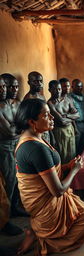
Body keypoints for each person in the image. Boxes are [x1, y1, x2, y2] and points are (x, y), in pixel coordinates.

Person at [14, 98, 84, 256]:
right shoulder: (36, 148)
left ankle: (36, 230)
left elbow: (43, 171)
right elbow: (58, 191)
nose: (52, 118)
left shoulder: (32, 138)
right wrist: (75, 170)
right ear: (32, 121)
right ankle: (45, 241)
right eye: (47, 115)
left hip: (41, 198)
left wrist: (66, 166)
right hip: (46, 201)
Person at [0, 74, 28, 218]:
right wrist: (18, 128)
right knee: (9, 181)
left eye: (14, 86)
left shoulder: (18, 104)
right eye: (8, 86)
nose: (12, 89)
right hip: (5, 147)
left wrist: (17, 127)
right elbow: (10, 133)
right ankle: (6, 217)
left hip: (18, 144)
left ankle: (15, 207)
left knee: (19, 179)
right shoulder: (0, 107)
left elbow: (25, 124)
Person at [47, 80, 79, 164]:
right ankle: (63, 175)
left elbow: (78, 115)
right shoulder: (50, 103)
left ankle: (72, 173)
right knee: (62, 155)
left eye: (59, 89)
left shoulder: (68, 100)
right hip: (59, 132)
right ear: (49, 90)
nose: (58, 91)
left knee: (72, 153)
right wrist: (71, 117)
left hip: (70, 130)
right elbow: (61, 121)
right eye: (54, 89)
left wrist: (66, 116)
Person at [70, 79, 84, 155]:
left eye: (81, 86)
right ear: (72, 87)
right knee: (76, 145)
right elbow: (70, 114)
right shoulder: (69, 97)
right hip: (76, 124)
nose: (80, 88)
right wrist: (75, 128)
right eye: (78, 86)